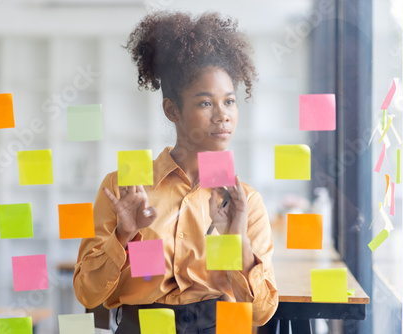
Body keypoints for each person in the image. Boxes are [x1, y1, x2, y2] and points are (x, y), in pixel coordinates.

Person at [73, 11, 278, 333]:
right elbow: (87, 292)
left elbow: (261, 313)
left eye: (230, 102)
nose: (223, 116)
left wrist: (236, 237)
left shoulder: (243, 201)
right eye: (205, 103)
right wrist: (123, 236)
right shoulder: (125, 185)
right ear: (172, 110)